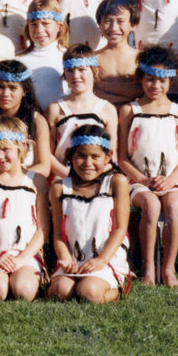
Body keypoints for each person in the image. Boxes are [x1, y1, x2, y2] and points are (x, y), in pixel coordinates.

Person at [116, 47, 178, 286]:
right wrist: (142, 179)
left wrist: (171, 180)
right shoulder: (130, 110)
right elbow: (122, 157)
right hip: (138, 180)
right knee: (149, 204)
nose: (155, 86)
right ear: (141, 78)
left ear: (170, 81)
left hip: (173, 180)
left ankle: (168, 268)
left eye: (162, 80)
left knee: (172, 205)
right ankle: (148, 268)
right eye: (150, 79)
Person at [47, 124, 130, 303]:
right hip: (74, 260)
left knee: (89, 292)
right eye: (81, 156)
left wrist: (101, 260)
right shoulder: (60, 187)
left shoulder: (117, 182)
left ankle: (113, 290)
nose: (88, 163)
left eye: (95, 156)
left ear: (108, 156)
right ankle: (73, 284)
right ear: (71, 155)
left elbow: (120, 229)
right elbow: (58, 234)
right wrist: (66, 258)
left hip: (106, 258)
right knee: (60, 292)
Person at [0, 115, 49, 301]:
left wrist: (22, 259)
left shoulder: (36, 180)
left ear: (22, 147)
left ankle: (29, 280)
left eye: (6, 150)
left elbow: (43, 228)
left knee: (24, 291)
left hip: (25, 255)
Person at [45, 45, 119, 178]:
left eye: (81, 70)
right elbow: (47, 152)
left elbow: (111, 153)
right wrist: (66, 174)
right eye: (70, 71)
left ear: (94, 71)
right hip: (63, 176)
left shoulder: (107, 109)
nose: (76, 76)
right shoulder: (55, 109)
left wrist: (91, 176)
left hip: (96, 176)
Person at [0, 60, 51, 172]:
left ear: (24, 91)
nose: (6, 94)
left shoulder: (36, 121)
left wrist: (15, 179)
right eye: (0, 87)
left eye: (13, 87)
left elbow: (44, 167)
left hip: (26, 184)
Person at [16, 0, 69, 111]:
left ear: (59, 27)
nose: (39, 30)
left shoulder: (67, 57)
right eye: (33, 24)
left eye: (45, 23)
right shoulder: (20, 59)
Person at [93, 0, 142, 107]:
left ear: (133, 24)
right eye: (107, 21)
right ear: (99, 24)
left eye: (120, 21)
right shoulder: (93, 58)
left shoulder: (140, 58)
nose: (113, 28)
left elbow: (144, 91)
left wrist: (101, 86)